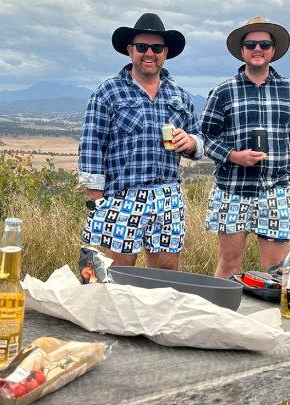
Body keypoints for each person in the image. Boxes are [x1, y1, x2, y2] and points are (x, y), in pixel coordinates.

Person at [78, 13, 203, 270]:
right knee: (118, 274)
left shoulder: (180, 95)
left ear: (165, 52)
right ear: (130, 50)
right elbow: (91, 146)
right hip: (122, 195)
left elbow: (199, 140)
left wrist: (190, 142)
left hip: (167, 195)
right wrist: (98, 202)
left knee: (165, 275)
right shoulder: (108, 92)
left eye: (156, 48)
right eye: (142, 47)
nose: (149, 53)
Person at [201, 17, 290, 278]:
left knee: (276, 269)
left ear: (273, 51)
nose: (257, 48)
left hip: (275, 190)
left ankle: (271, 306)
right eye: (251, 44)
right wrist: (233, 156)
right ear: (242, 50)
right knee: (229, 263)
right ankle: (222, 306)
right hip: (232, 190)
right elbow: (205, 137)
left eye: (264, 44)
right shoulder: (223, 91)